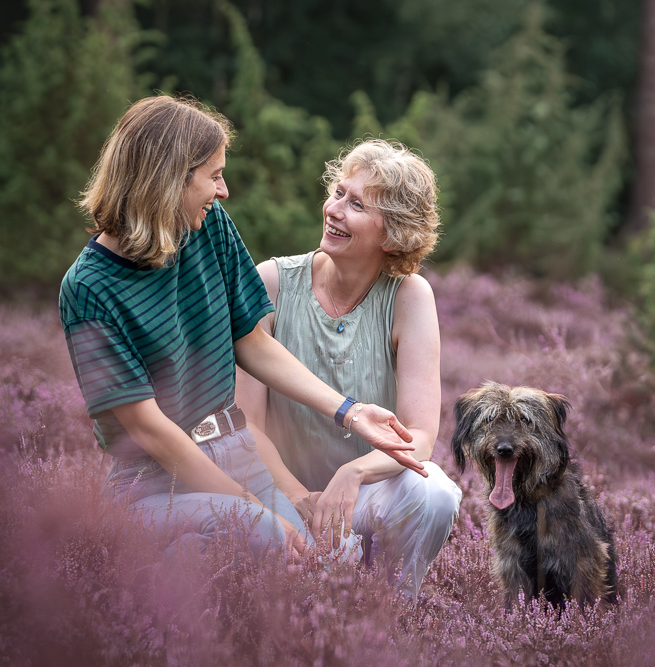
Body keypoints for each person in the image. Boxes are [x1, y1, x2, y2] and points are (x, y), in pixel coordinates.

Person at [59, 96, 424, 562]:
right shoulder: (90, 287)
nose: (224, 191)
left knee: (324, 567)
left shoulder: (207, 228)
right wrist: (250, 510)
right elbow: (151, 432)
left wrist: (349, 412)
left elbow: (251, 340)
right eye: (213, 176)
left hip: (237, 451)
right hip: (153, 483)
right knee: (261, 541)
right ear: (169, 178)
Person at [235, 138, 462, 597]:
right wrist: (298, 496)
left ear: (393, 233)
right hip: (277, 493)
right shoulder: (273, 283)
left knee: (436, 492)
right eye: (338, 193)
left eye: (356, 204)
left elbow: (420, 437)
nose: (334, 209)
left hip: (362, 496)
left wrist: (353, 474)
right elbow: (246, 425)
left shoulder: (410, 297)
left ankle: (393, 615)